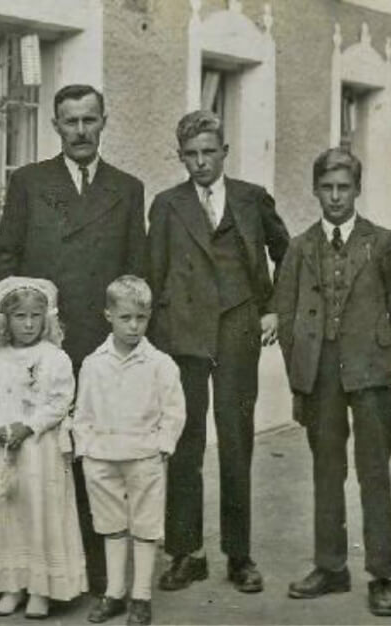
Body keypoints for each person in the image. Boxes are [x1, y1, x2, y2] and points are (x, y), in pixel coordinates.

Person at [0, 84, 147, 593]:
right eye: (70, 122)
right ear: (55, 126)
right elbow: (8, 263)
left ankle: (98, 564)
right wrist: (15, 335)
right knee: (43, 452)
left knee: (98, 453)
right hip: (43, 345)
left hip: (102, 345)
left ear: (104, 122)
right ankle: (39, 564)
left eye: (89, 120)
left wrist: (130, 345)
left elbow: (136, 274)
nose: (81, 131)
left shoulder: (127, 188)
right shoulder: (29, 182)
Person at [147, 110, 290, 593]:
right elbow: (154, 271)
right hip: (182, 336)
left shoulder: (251, 199)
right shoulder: (167, 205)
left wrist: (274, 309)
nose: (201, 163)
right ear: (180, 156)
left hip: (237, 330)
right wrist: (155, 337)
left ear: (224, 152)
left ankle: (240, 555)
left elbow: (285, 253)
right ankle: (187, 553)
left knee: (236, 441)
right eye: (191, 155)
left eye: (209, 152)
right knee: (184, 445)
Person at [276, 148, 391, 618]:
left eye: (344, 187)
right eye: (327, 187)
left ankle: (381, 575)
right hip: (321, 374)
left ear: (357, 190)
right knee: (326, 470)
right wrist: (300, 380)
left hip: (373, 372)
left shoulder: (383, 244)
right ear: (315, 190)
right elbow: (290, 317)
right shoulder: (299, 248)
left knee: (374, 472)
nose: (335, 197)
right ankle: (331, 566)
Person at [0, 276, 86, 619]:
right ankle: (11, 584)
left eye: (36, 316)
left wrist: (29, 426)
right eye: (20, 316)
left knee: (38, 512)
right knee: (7, 514)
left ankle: (40, 588)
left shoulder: (55, 357)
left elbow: (61, 399)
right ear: (6, 320)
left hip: (39, 450)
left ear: (46, 318)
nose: (29, 324)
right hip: (2, 448)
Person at [73, 275, 185, 626]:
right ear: (108, 315)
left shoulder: (161, 364)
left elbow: (174, 412)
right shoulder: (94, 363)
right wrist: (86, 451)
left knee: (146, 526)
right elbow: (83, 412)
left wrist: (162, 447)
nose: (134, 326)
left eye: (141, 318)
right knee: (111, 526)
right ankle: (115, 593)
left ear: (149, 316)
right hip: (102, 458)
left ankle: (142, 597)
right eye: (125, 318)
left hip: (144, 457)